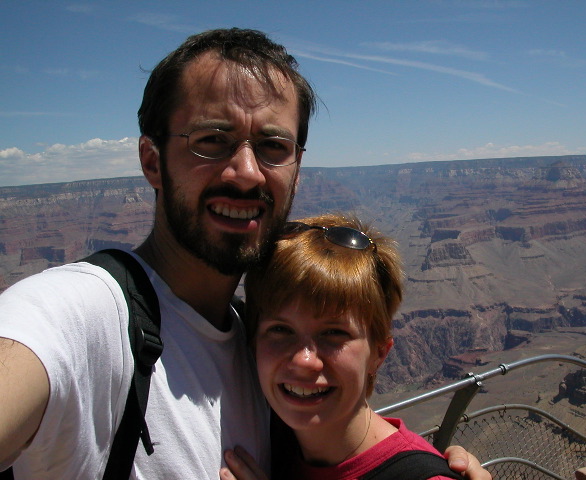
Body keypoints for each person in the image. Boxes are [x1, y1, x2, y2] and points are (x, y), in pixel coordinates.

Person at [0, 28, 489, 479]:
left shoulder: (261, 344)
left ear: (296, 170)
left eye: (273, 146)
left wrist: (422, 468)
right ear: (152, 161)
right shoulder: (78, 315)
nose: (247, 172)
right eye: (212, 140)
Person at [219, 213, 477, 480]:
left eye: (333, 333)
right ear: (253, 342)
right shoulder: (270, 438)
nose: (304, 360)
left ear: (379, 352)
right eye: (280, 330)